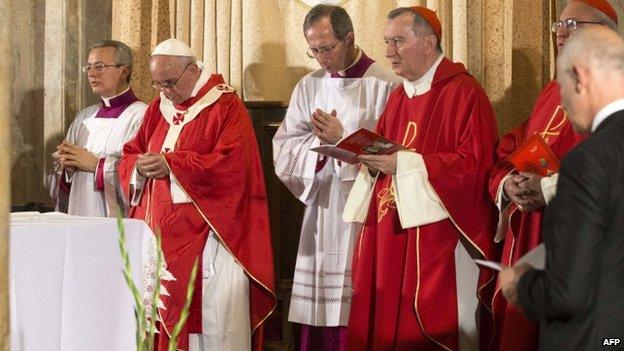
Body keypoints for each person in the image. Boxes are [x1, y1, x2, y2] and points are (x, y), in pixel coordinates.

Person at [342, 6, 498, 351]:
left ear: (429, 43)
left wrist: (407, 165)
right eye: (386, 41)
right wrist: (367, 159)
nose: (388, 52)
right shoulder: (399, 95)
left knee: (427, 324)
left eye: (398, 40)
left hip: (436, 234)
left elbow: (474, 165)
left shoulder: (463, 93)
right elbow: (386, 151)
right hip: (390, 230)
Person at [117, 38, 275, 351]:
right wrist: (139, 167)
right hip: (159, 234)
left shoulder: (225, 106)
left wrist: (172, 165)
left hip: (210, 237)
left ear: (192, 70)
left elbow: (234, 166)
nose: (164, 91)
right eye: (157, 83)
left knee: (210, 320)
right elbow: (131, 152)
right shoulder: (158, 107)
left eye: (170, 82)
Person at [487, 1, 618, 349]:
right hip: (536, 233)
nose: (561, 32)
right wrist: (509, 184)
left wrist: (547, 187)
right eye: (558, 25)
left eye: (573, 23)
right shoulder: (553, 88)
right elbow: (515, 146)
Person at [272, 4, 398, 350]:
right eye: (314, 50)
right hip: (323, 204)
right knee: (319, 303)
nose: (321, 58)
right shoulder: (308, 86)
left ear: (350, 38)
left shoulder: (386, 84)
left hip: (365, 206)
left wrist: (343, 139)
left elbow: (396, 152)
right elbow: (284, 145)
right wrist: (316, 149)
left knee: (356, 298)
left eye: (327, 48)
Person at [49, 40, 147, 217]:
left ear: (124, 71)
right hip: (78, 211)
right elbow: (61, 180)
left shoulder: (141, 115)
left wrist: (96, 165)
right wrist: (66, 166)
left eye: (99, 66)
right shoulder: (84, 118)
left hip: (113, 219)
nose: (92, 74)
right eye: (88, 67)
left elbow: (139, 175)